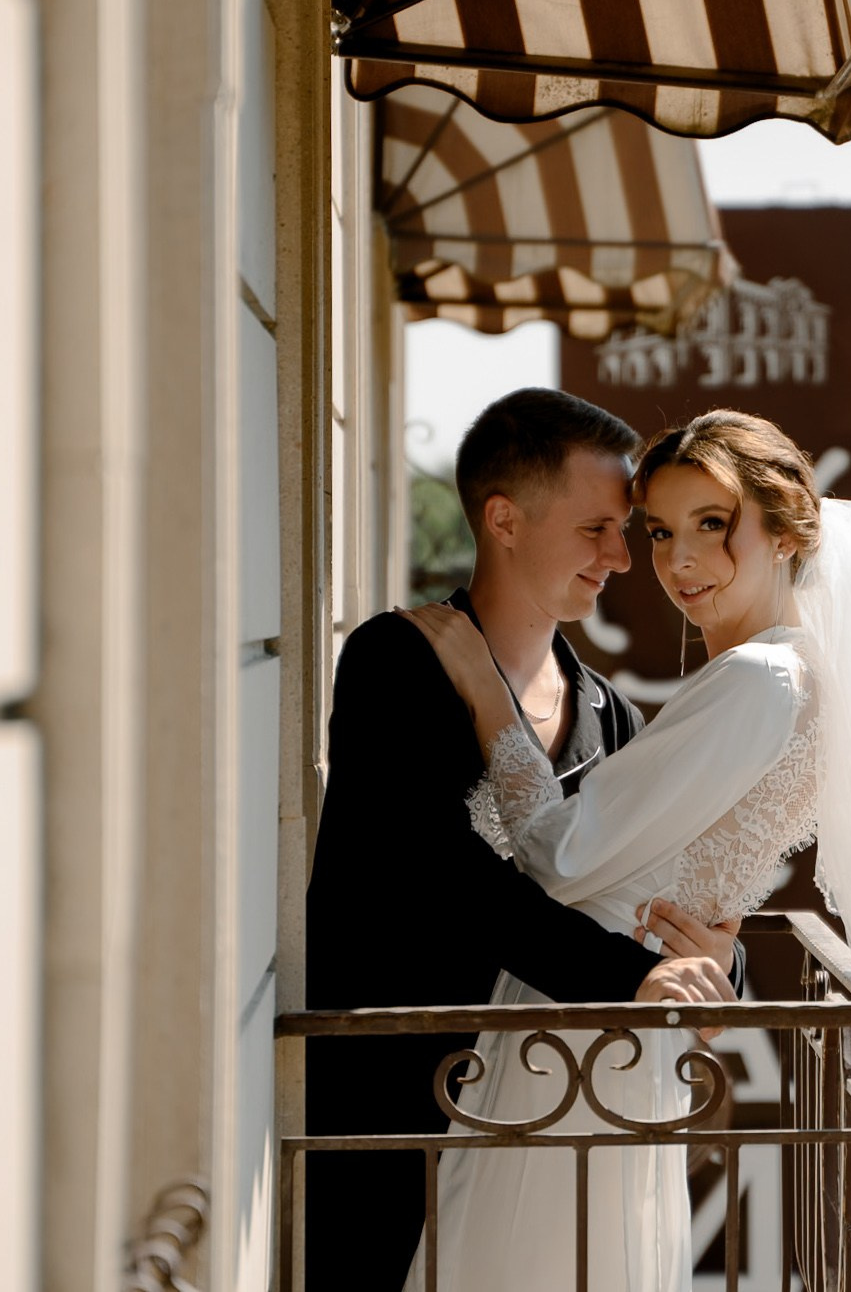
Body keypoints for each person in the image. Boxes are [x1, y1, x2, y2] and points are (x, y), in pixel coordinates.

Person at [399, 410, 851, 1290]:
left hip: (580, 1034)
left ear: (787, 526)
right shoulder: (793, 675)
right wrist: (725, 951)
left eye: (713, 527)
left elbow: (561, 856)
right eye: (661, 532)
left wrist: (487, 696)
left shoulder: (761, 680)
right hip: (620, 1034)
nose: (679, 563)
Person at [302, 389, 741, 1292]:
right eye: (597, 529)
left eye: (626, 531)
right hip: (394, 1116)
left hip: (558, 1130)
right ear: (503, 518)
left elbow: (651, 895)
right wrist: (633, 979)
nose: (622, 557)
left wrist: (712, 966)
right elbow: (444, 874)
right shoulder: (395, 662)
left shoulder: (610, 713)